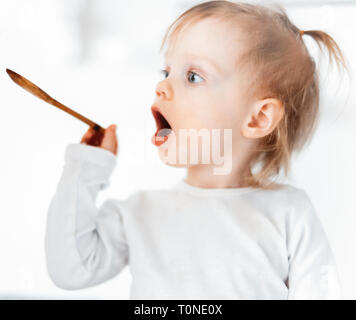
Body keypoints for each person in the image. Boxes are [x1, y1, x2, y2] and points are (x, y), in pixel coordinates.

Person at [45, 1, 348, 299]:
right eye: (166, 72)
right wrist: (85, 168)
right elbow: (71, 269)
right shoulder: (141, 214)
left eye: (193, 77)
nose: (161, 88)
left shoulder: (289, 214)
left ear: (257, 118)